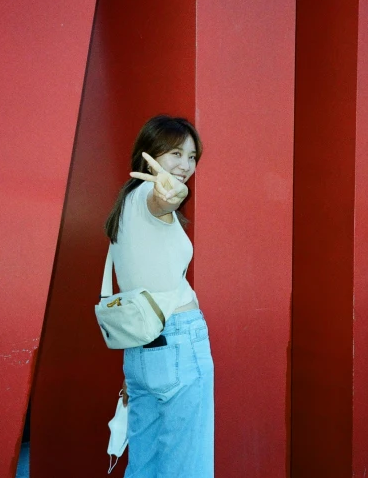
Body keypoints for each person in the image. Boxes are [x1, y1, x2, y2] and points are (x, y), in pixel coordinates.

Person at [104, 115, 214, 477]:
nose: (186, 165)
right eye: (175, 153)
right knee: (187, 467)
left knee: (144, 467)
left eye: (192, 156)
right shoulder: (151, 201)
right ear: (149, 155)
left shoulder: (124, 207)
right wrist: (172, 194)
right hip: (180, 344)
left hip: (140, 352)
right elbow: (163, 200)